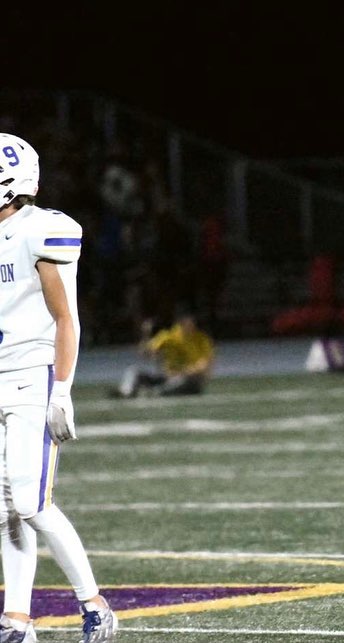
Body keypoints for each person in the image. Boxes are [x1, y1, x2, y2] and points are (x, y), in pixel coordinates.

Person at [0, 133, 119, 642]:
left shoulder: (40, 230)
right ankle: (16, 620)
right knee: (4, 510)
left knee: (32, 503)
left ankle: (95, 605)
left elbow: (65, 317)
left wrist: (62, 390)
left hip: (32, 375)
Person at [114, 309, 214, 398]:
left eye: (191, 321)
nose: (189, 324)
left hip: (189, 381)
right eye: (185, 321)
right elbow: (145, 354)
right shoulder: (168, 336)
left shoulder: (202, 339)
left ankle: (155, 392)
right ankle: (125, 392)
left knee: (182, 380)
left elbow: (204, 366)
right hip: (168, 378)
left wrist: (182, 372)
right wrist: (145, 334)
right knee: (134, 371)